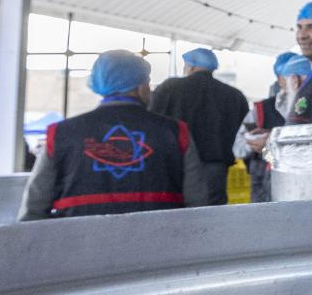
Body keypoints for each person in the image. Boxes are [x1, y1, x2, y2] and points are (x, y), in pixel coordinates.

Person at [17, 50, 211, 220]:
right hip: (160, 241)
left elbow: (34, 207)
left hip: (79, 245)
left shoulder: (61, 133)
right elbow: (198, 203)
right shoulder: (175, 132)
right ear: (141, 87)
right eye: (148, 82)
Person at [148, 47, 249, 205]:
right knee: (212, 214)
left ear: (191, 67)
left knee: (172, 211)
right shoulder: (234, 96)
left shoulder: (169, 88)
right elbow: (245, 134)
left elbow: (151, 120)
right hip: (215, 170)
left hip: (174, 165)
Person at [237, 52, 310, 202]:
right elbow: (238, 148)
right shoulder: (260, 110)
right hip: (265, 188)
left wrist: (272, 140)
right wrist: (255, 143)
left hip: (304, 185)